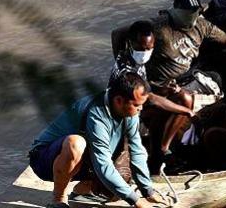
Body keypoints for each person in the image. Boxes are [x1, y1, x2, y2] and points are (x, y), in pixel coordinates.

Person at [28, 71, 167, 208]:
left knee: (120, 182)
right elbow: (103, 163)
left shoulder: (130, 113)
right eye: (137, 105)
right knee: (76, 143)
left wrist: (147, 190)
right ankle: (58, 199)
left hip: (83, 161)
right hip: (44, 160)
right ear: (119, 100)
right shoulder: (97, 114)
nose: (140, 109)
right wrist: (136, 201)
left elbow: (137, 150)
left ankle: (82, 190)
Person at [148, 0, 226, 165]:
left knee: (202, 98)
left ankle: (169, 147)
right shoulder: (159, 27)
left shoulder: (201, 24)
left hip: (189, 78)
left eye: (194, 11)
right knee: (181, 101)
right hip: (161, 85)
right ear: (175, 7)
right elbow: (122, 36)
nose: (190, 16)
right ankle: (162, 150)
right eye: (186, 12)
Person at [110, 19, 196, 117]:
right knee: (184, 99)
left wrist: (163, 89)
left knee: (178, 94)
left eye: (149, 49)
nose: (144, 53)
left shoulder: (132, 57)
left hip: (141, 99)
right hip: (131, 109)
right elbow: (150, 98)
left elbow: (143, 85)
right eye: (141, 49)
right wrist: (187, 111)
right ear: (131, 43)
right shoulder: (126, 70)